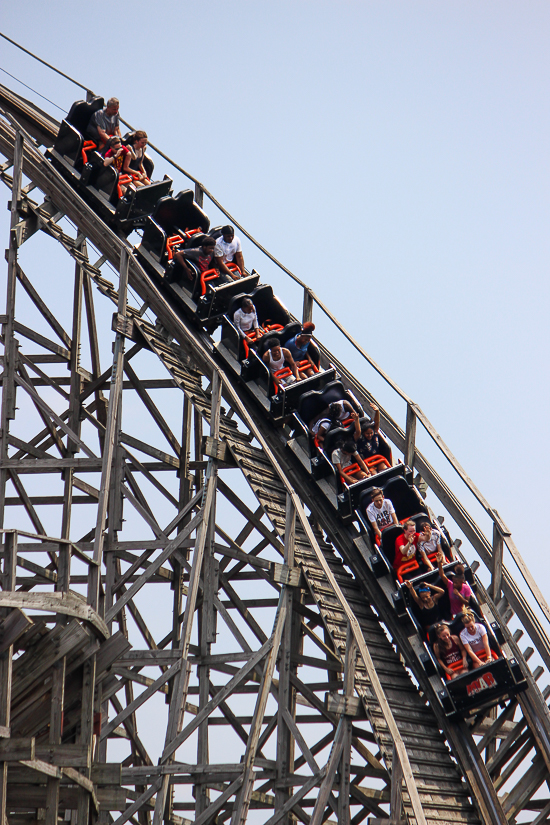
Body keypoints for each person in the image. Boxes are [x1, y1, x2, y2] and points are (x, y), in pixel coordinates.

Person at [436, 552, 473, 618]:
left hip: (464, 612)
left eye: (456, 583)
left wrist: (458, 595)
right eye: (454, 582)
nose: (454, 584)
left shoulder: (466, 588)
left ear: (461, 582)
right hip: (454, 614)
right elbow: (442, 575)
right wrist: (439, 563)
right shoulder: (450, 585)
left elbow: (467, 603)